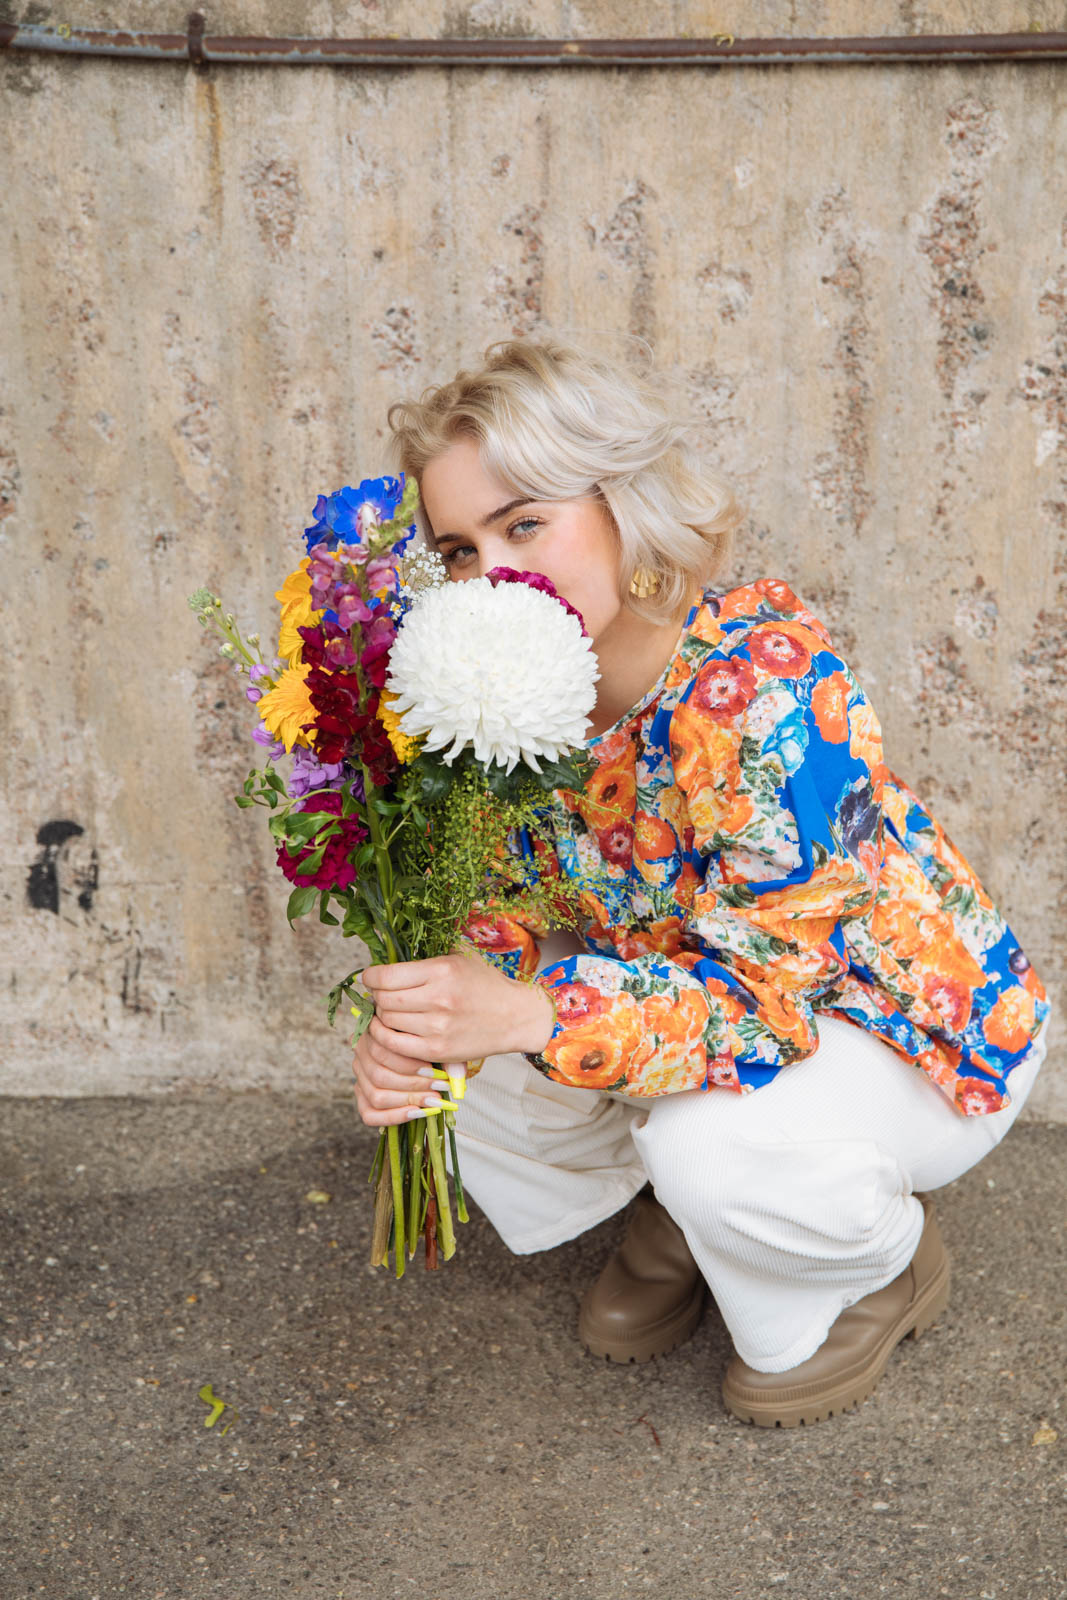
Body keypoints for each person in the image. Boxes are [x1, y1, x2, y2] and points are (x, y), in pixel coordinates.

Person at [351, 336, 1051, 1427]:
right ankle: (683, 1212)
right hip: (687, 997)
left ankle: (875, 1264)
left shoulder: (754, 690)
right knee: (442, 1008)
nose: (488, 574)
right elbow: (500, 926)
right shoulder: (502, 702)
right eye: (457, 547)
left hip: (895, 1027)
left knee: (712, 1152)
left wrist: (533, 1006)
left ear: (623, 509)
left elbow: (770, 1001)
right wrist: (427, 1024)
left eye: (523, 521)